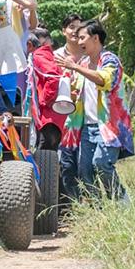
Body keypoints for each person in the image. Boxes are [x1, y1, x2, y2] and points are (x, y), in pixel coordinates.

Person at [57, 20, 134, 200]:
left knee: (101, 164)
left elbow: (104, 80)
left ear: (95, 38)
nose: (79, 42)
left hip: (108, 126)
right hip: (86, 126)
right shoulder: (83, 63)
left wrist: (74, 66)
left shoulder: (110, 60)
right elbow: (78, 90)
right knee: (85, 172)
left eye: (82, 38)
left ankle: (122, 202)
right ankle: (98, 209)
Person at [53, 13, 85, 208]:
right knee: (65, 162)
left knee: (85, 162)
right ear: (63, 31)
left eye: (79, 27)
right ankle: (69, 206)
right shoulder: (55, 56)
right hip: (62, 117)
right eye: (71, 27)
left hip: (86, 115)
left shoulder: (89, 55)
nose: (75, 31)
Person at [26, 27, 67, 150]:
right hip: (54, 113)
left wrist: (45, 100)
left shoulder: (39, 55)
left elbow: (53, 77)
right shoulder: (48, 54)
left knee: (45, 152)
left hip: (49, 114)